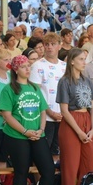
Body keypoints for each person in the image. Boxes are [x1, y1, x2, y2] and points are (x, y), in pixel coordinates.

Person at [0, 54, 55, 185]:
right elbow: (7, 115)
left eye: (29, 66)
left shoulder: (35, 87)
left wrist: (41, 129)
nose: (28, 69)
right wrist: (24, 131)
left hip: (38, 134)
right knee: (21, 172)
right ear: (16, 70)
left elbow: (43, 110)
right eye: (24, 66)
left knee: (49, 170)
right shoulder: (8, 89)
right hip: (17, 136)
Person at [56, 48, 93, 185]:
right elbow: (64, 111)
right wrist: (79, 131)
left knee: (92, 163)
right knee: (70, 165)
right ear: (72, 61)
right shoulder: (65, 81)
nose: (84, 62)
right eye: (81, 59)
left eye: (85, 59)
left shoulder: (87, 81)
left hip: (87, 121)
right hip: (71, 123)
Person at [29, 33, 66, 162]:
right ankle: (41, 182)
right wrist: (50, 112)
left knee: (57, 152)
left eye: (53, 44)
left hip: (63, 116)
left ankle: (54, 181)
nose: (49, 47)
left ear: (59, 46)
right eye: (47, 44)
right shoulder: (38, 66)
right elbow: (35, 93)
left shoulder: (64, 66)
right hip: (45, 116)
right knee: (42, 154)